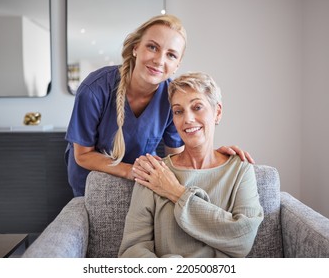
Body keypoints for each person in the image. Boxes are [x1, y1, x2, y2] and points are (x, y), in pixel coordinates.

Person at [65, 14, 254, 197]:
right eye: (152, 47)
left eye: (171, 55)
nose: (159, 60)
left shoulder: (173, 98)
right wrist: (130, 171)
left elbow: (178, 155)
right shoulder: (94, 89)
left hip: (142, 182)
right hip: (94, 181)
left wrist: (216, 157)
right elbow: (82, 155)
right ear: (136, 48)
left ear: (177, 65)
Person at [118, 72, 264, 258]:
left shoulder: (240, 170)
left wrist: (176, 192)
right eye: (179, 111)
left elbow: (243, 239)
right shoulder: (154, 173)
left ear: (217, 112)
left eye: (197, 107)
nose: (187, 119)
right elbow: (131, 251)